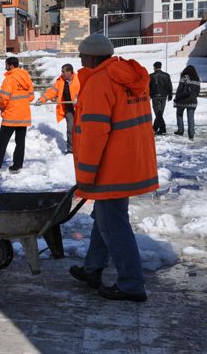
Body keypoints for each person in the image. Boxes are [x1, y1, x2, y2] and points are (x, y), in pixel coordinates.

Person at [69, 34, 158, 302]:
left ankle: (131, 284)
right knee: (104, 218)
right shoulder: (131, 77)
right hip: (131, 163)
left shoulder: (99, 83)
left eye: (82, 56)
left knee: (114, 226)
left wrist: (85, 177)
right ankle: (93, 268)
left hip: (110, 169)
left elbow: (94, 134)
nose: (81, 62)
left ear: (93, 57)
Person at [0, 56, 34, 173]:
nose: (5, 67)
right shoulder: (26, 78)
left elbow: (4, 98)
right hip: (24, 116)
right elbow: (31, 97)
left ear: (11, 65)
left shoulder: (9, 79)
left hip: (11, 116)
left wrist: (2, 108)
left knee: (1, 141)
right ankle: (17, 165)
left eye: (6, 65)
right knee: (20, 142)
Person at [35, 63, 80, 153]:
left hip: (80, 109)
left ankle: (82, 148)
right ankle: (71, 150)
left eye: (64, 72)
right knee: (70, 129)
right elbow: (52, 92)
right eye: (61, 71)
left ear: (70, 72)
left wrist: (78, 98)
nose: (62, 73)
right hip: (68, 109)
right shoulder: (60, 82)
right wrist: (42, 99)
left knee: (80, 130)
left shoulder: (79, 79)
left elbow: (86, 91)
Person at [173, 65, 201, 140]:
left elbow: (180, 88)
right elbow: (198, 91)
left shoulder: (184, 77)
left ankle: (180, 130)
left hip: (182, 100)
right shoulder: (197, 79)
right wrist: (193, 96)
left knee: (179, 114)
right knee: (191, 117)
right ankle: (191, 134)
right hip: (192, 101)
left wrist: (176, 98)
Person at [149, 61, 173, 135]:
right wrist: (170, 95)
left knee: (158, 113)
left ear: (154, 67)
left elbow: (148, 87)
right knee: (160, 113)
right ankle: (155, 128)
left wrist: (149, 95)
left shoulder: (151, 76)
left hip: (155, 96)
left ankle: (163, 128)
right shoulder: (166, 75)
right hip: (164, 96)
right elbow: (169, 85)